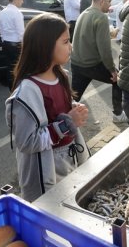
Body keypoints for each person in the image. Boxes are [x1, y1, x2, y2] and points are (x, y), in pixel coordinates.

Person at [5, 13, 90, 202]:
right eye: (66, 41)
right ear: (46, 45)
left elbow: (58, 112)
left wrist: (74, 110)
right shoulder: (26, 92)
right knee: (49, 211)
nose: (71, 47)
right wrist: (67, 123)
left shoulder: (62, 76)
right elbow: (27, 142)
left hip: (68, 158)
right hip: (45, 168)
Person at [70, 0, 127, 123]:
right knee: (118, 80)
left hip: (76, 63)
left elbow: (88, 36)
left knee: (74, 96)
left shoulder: (84, 13)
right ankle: (118, 115)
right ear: (101, 1)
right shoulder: (101, 17)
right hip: (91, 64)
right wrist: (112, 70)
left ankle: (63, 119)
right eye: (109, 1)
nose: (110, 5)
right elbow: (105, 49)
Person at [0, 0, 24, 88]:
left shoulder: (2, 12)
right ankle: (18, 89)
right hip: (16, 44)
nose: (22, 1)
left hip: (5, 43)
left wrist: (3, 40)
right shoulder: (17, 13)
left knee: (9, 67)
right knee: (19, 67)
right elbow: (21, 32)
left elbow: (1, 31)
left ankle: (11, 88)